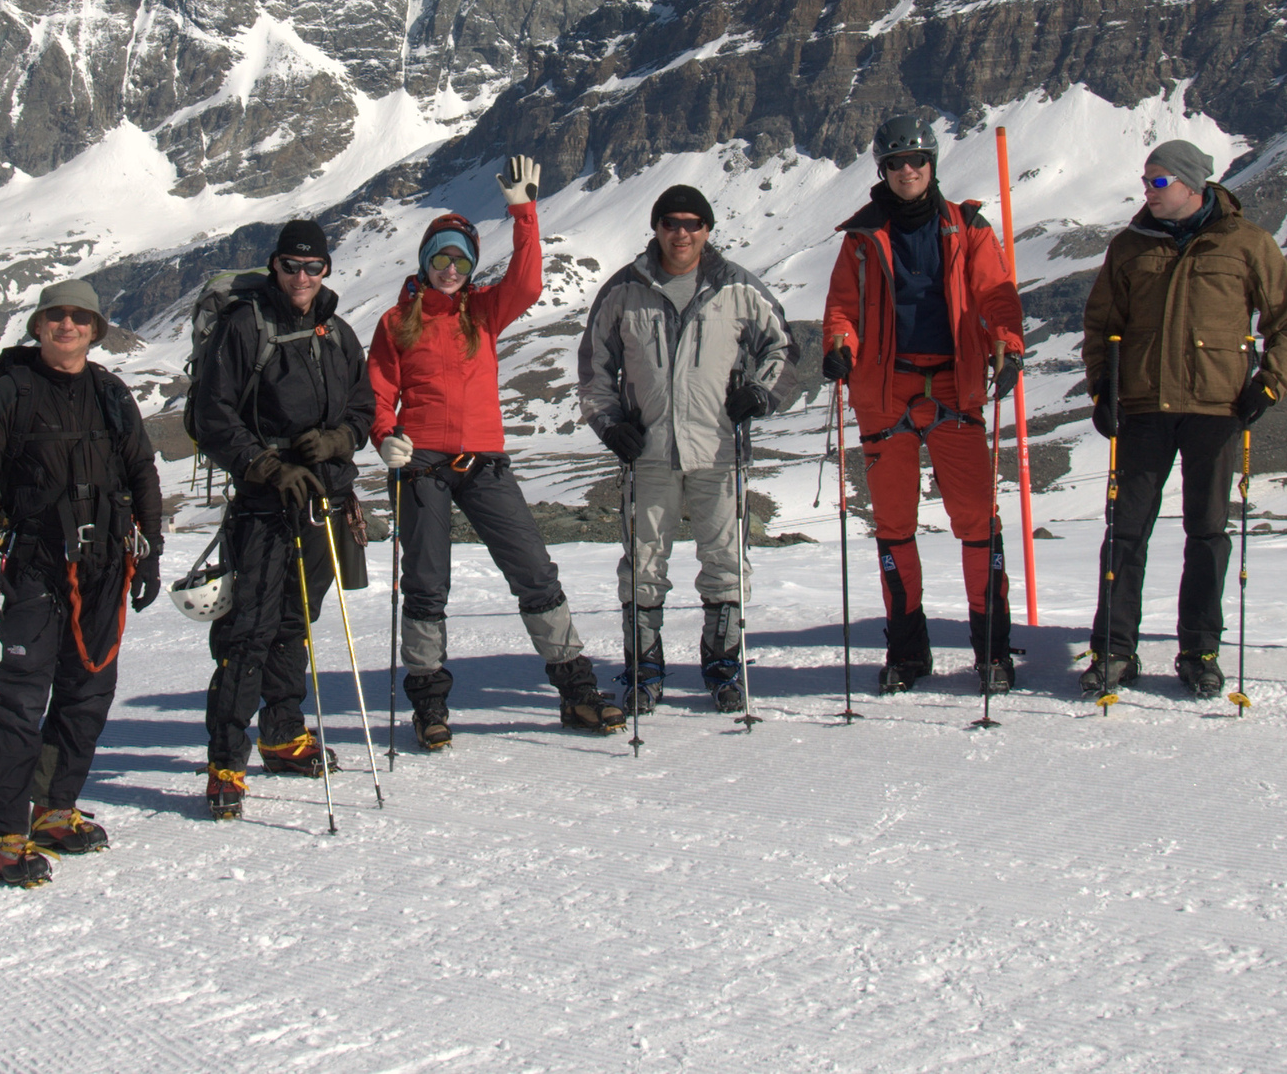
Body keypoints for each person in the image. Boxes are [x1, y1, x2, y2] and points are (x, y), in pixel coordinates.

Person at [369, 156, 626, 746]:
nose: (451, 268)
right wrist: (385, 436)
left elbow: (529, 282)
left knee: (534, 571)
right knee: (427, 584)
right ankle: (429, 705)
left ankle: (577, 691)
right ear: (425, 263)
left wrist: (523, 210)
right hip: (422, 467)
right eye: (442, 258)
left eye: (461, 259)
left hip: (484, 464)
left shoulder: (482, 312)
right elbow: (379, 390)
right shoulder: (395, 322)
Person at [1078, 141, 1287, 697]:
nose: (1148, 191)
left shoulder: (1246, 244)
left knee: (1207, 533)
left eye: (1158, 182)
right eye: (1146, 181)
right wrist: (1103, 391)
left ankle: (1200, 650)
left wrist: (1269, 383)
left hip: (1216, 409)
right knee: (1126, 531)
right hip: (1144, 408)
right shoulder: (1129, 246)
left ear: (1190, 184)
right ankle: (1113, 650)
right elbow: (1100, 325)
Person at [0, 280, 163, 887]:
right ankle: (5, 835)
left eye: (79, 318)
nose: (67, 326)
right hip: (35, 563)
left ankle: (54, 810)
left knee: (89, 691)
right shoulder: (10, 393)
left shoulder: (110, 392)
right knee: (22, 698)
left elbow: (142, 472)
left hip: (104, 562)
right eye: (56, 317)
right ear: (38, 327)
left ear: (96, 330)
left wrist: (147, 556)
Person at [822, 113, 1027, 694]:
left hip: (953, 390)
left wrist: (1007, 346)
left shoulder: (970, 228)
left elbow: (995, 295)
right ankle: (908, 652)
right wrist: (839, 346)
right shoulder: (861, 240)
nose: (907, 170)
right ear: (881, 170)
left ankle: (991, 650)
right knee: (893, 527)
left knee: (976, 522)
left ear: (932, 164)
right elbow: (843, 309)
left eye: (916, 160)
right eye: (895, 162)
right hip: (886, 396)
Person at [578, 184, 796, 713]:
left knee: (724, 562)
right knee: (643, 564)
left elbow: (784, 347)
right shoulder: (625, 290)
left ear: (707, 230)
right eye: (671, 222)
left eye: (693, 223)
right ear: (656, 227)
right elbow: (594, 367)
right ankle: (643, 670)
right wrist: (608, 425)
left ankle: (724, 668)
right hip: (648, 453)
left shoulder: (737, 287)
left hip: (718, 451)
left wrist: (762, 394)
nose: (682, 232)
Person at [189, 218, 373, 822]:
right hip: (266, 503)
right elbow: (211, 416)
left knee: (297, 621)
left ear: (326, 270)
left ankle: (283, 733)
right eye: (291, 266)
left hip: (322, 498)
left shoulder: (339, 333)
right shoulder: (247, 327)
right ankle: (225, 762)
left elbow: (364, 407)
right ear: (274, 266)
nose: (301, 277)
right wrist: (267, 467)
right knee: (249, 631)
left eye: (312, 267)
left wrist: (341, 438)